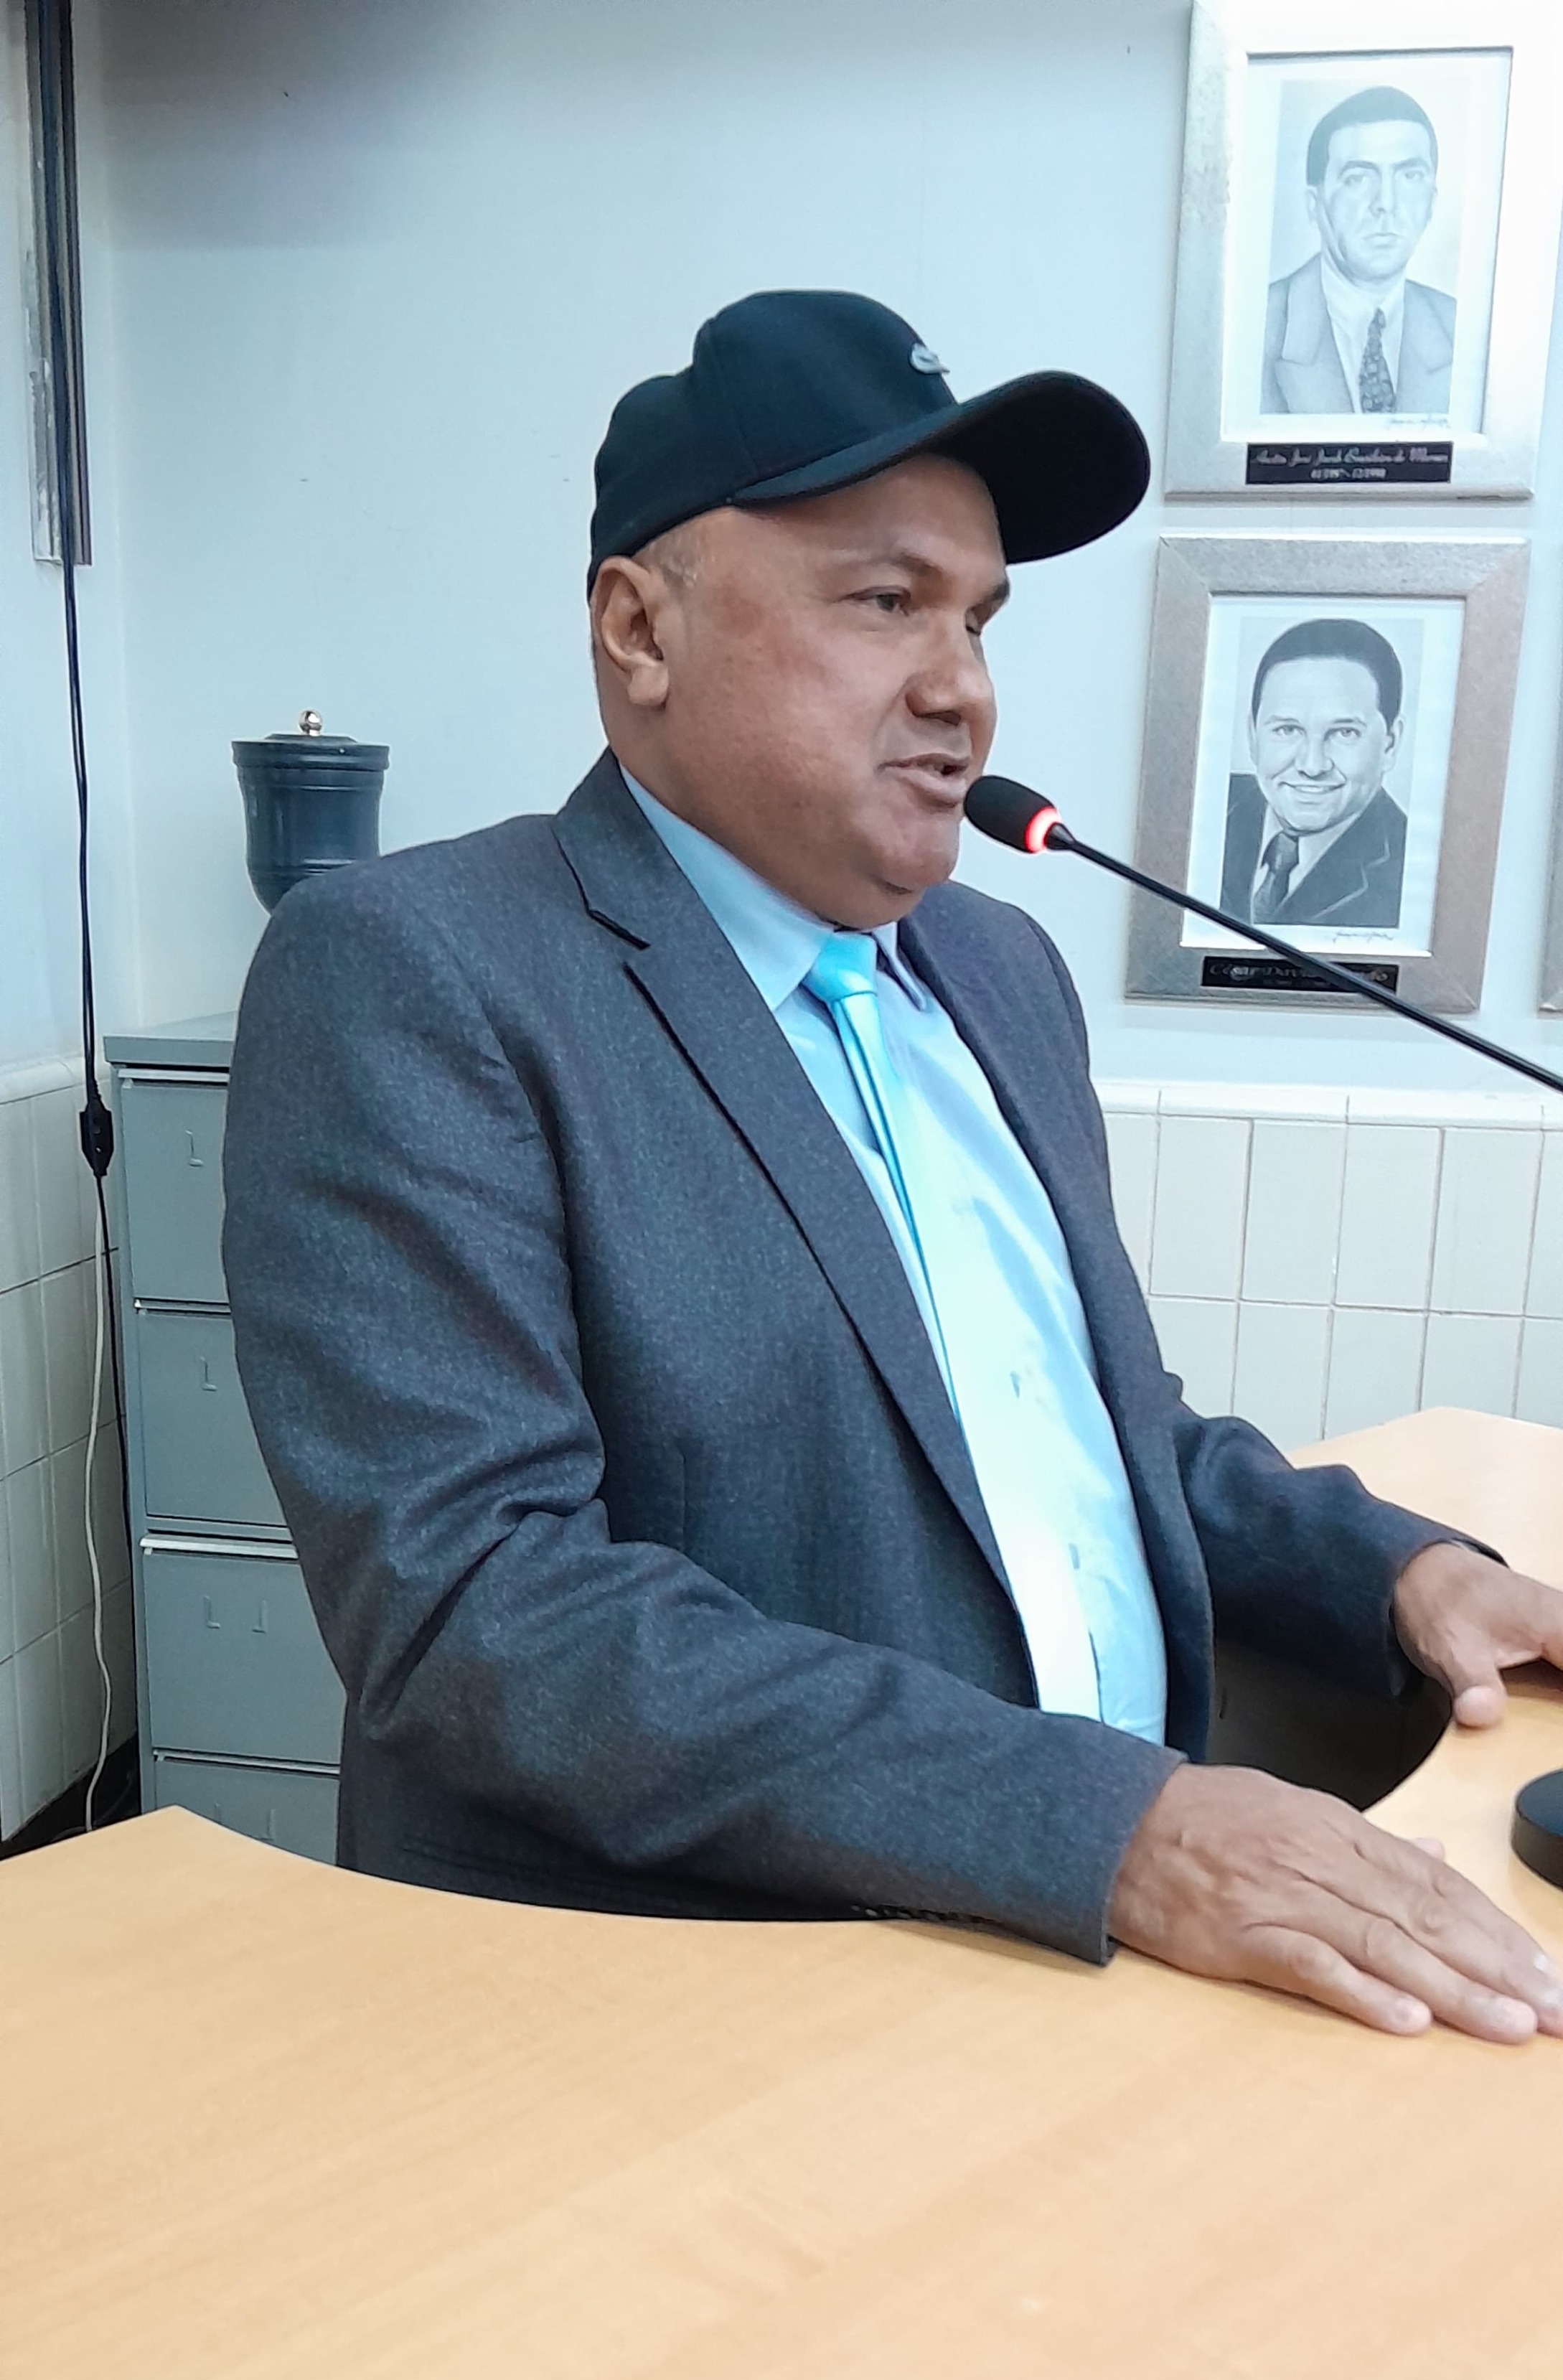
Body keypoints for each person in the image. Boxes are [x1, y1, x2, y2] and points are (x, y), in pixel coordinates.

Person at [223, 290, 1563, 2048]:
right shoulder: (418, 969)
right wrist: (1115, 1829)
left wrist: (1391, 1571)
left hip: (1068, 1965)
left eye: (980, 618)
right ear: (638, 628)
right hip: (696, 2020)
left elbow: (1092, 1429)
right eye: (884, 602)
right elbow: (477, 1605)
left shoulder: (1001, 971)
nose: (963, 688)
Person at [1262, 85, 1455, 417]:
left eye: (1410, 176)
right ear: (1314, 205)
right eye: (1358, 179)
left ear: (1432, 204)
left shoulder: (1460, 327)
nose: (1386, 203)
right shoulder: (1260, 327)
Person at [1219, 616, 1407, 932]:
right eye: (1287, 729)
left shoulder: (1410, 872)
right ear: (1252, 736)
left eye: (1344, 733)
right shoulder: (1201, 810)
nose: (1312, 766)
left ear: (1390, 744)